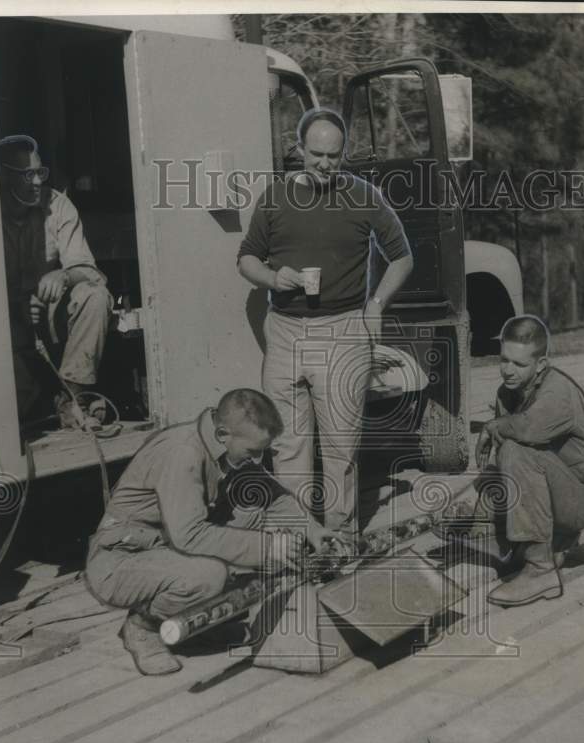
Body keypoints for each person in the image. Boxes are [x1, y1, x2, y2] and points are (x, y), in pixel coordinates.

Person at [237, 108, 414, 535]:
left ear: (344, 154)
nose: (324, 164)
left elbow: (403, 257)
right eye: (316, 154)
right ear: (299, 150)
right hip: (285, 332)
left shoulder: (363, 196)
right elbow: (245, 258)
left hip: (343, 331)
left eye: (334, 155)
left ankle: (340, 538)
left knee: (340, 448)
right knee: (287, 445)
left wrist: (375, 305)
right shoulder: (276, 198)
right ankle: (301, 538)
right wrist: (272, 277)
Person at [86, 388, 336, 676]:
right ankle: (142, 627)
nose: (258, 460)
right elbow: (190, 534)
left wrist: (311, 529)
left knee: (257, 521)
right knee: (208, 575)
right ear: (222, 435)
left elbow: (269, 494)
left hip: (162, 547)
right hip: (119, 560)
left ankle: (192, 626)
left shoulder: (228, 446)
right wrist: (269, 547)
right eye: (253, 452)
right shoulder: (182, 453)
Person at [475, 315, 584, 607]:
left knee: (514, 449)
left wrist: (493, 426)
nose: (508, 371)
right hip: (555, 487)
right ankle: (554, 543)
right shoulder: (507, 392)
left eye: (520, 364)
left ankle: (540, 570)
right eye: (504, 360)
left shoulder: (558, 391)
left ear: (542, 365)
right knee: (495, 469)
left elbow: (527, 430)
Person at [0, 134, 113, 430]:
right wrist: (16, 305)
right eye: (27, 174)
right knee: (18, 413)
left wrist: (63, 274)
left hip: (48, 314)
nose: (37, 181)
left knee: (95, 296)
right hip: (2, 321)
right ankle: (56, 402)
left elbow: (89, 270)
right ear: (3, 176)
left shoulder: (58, 205)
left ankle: (76, 396)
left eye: (40, 172)